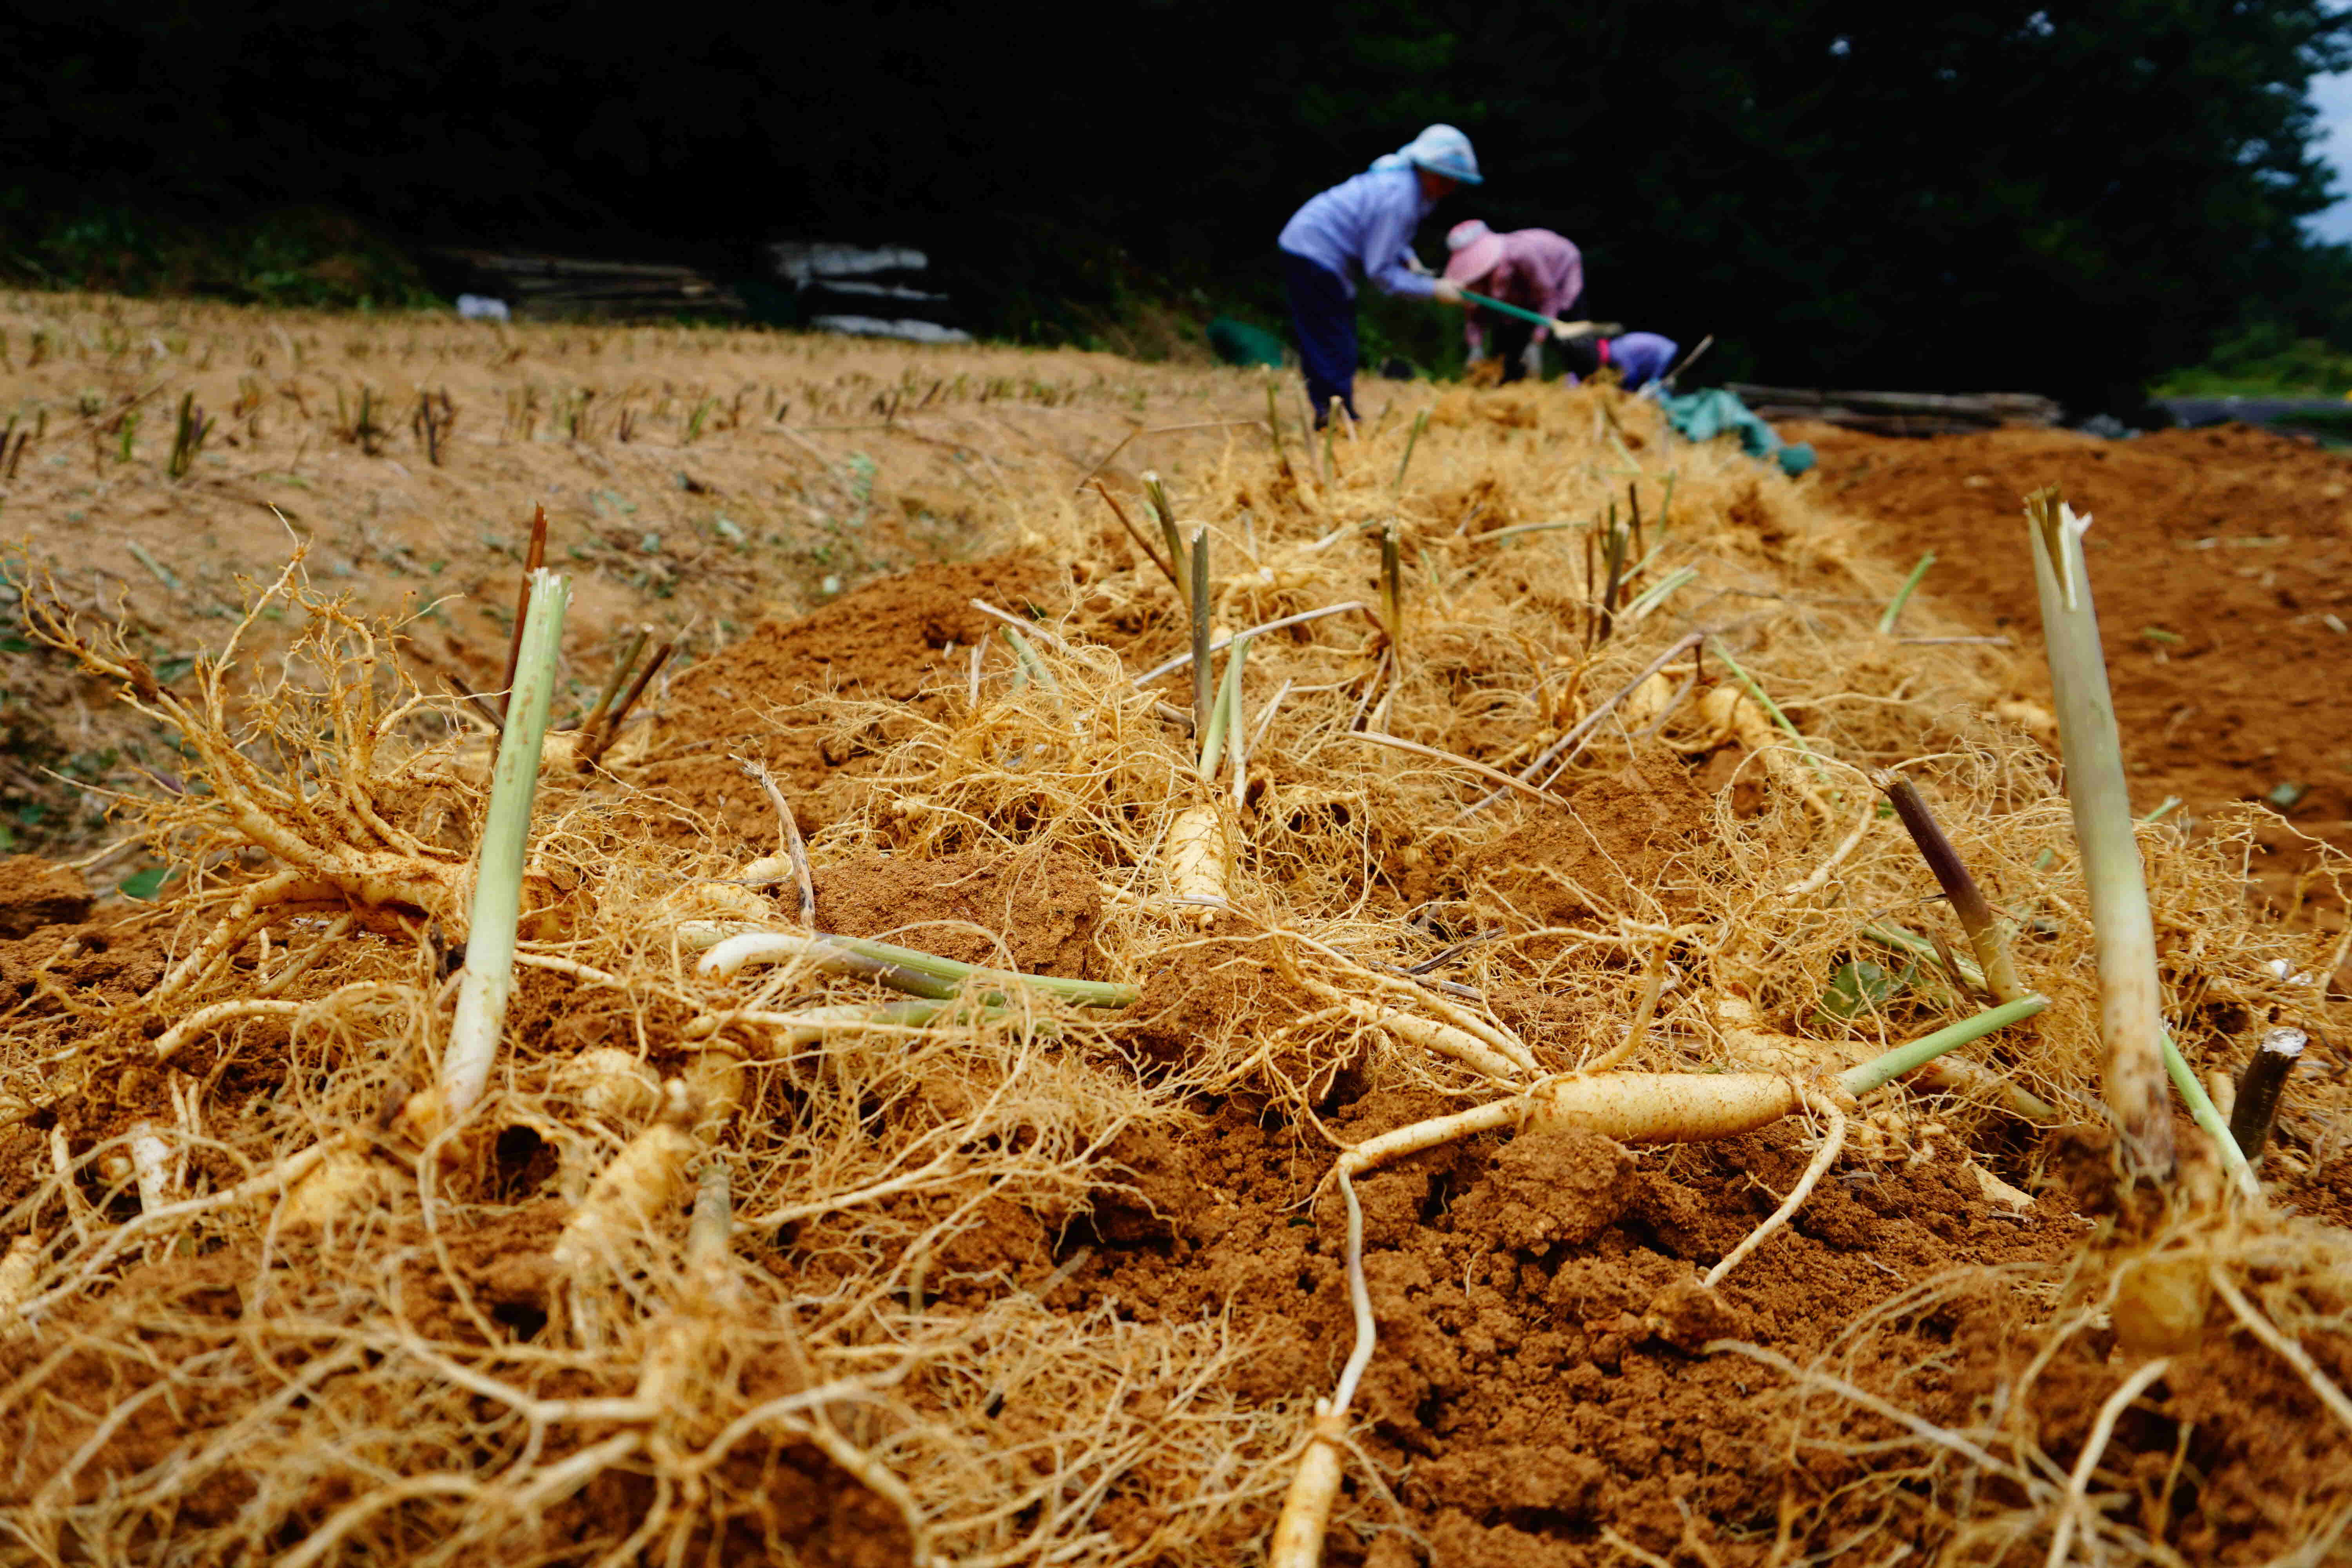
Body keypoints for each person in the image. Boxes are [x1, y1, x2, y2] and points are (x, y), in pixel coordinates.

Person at [1277, 124, 1481, 424]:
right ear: (1428, 171)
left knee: (1337, 334)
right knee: (1332, 337)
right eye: (1447, 179)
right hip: (1314, 251)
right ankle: (1334, 417)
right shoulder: (1399, 198)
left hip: (1318, 251)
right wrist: (1433, 289)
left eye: (1455, 182)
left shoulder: (1406, 187)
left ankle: (1336, 411)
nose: (1451, 188)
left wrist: (1411, 260)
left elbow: (1386, 238)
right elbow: (1381, 274)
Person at [1441, 220, 1582, 383]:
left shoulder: (1521, 254)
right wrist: (1475, 347)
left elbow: (1548, 299)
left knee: (1574, 340)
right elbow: (1474, 312)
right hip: (1519, 299)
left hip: (1558, 277)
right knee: (1508, 347)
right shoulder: (1475, 278)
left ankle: (1581, 379)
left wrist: (1537, 343)